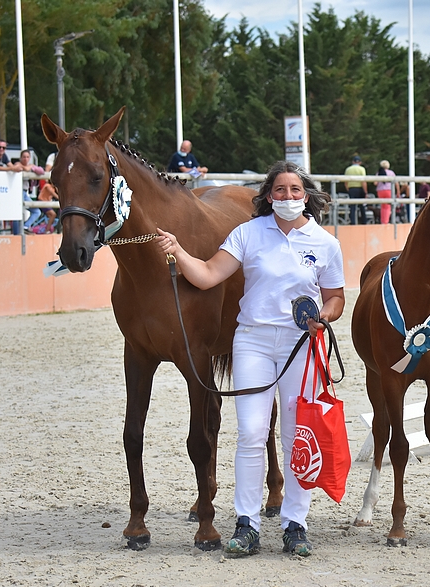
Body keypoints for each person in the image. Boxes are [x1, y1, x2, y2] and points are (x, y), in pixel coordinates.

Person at [155, 161, 345, 558]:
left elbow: (336, 298)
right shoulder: (247, 233)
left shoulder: (325, 243)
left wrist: (323, 317)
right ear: (268, 196)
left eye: (295, 190)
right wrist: (177, 251)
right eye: (280, 190)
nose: (288, 197)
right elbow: (207, 274)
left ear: (306, 195)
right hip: (253, 341)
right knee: (251, 434)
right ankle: (247, 523)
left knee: (298, 436)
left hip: (301, 344)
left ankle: (296, 523)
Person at [19, 150, 46, 233]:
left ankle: (26, 226)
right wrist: (30, 167)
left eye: (27, 157)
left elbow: (41, 171)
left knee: (37, 211)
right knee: (17, 214)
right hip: (18, 192)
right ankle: (19, 231)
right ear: (20, 158)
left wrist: (32, 167)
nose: (25, 159)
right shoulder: (17, 164)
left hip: (24, 192)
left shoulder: (30, 166)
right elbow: (23, 168)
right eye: (24, 157)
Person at [343, 155, 367, 225]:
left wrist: (348, 188)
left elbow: (345, 181)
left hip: (352, 189)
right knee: (362, 206)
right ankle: (364, 222)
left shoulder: (348, 169)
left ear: (353, 162)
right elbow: (364, 181)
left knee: (352, 207)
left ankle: (352, 222)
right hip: (360, 188)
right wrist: (365, 191)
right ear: (360, 162)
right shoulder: (362, 169)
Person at [375, 160, 398, 224]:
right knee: (388, 206)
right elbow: (396, 183)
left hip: (380, 191)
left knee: (383, 206)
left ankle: (383, 221)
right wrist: (398, 191)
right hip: (388, 190)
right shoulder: (391, 173)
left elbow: (375, 183)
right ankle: (386, 221)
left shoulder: (379, 172)